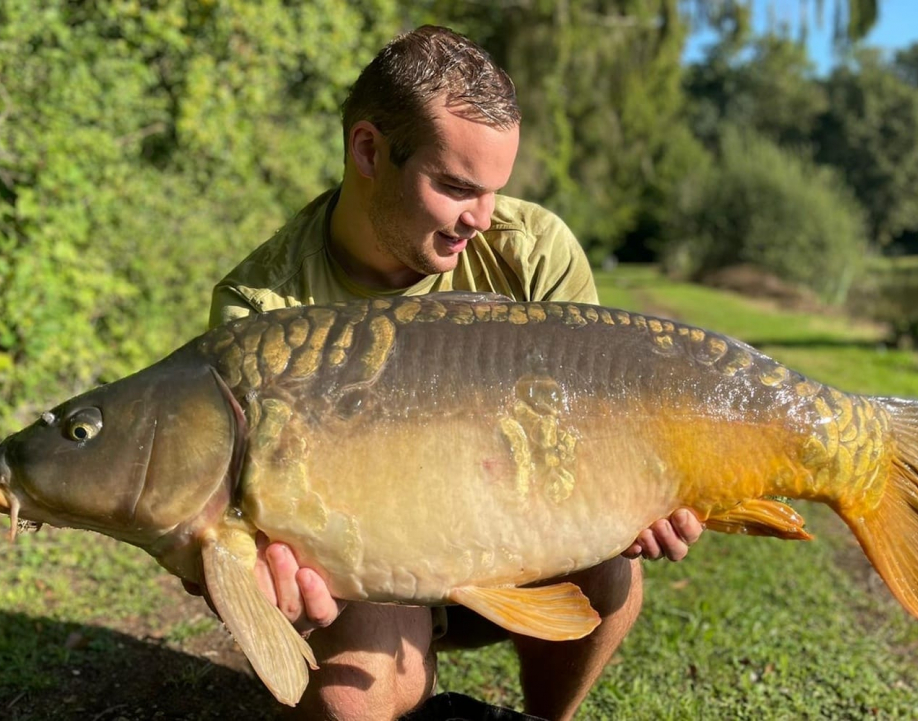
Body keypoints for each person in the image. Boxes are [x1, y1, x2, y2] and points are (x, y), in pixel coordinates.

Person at [204, 25, 704, 721]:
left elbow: (595, 422)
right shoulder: (263, 309)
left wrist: (645, 493)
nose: (482, 218)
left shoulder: (533, 253)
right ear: (368, 150)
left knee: (610, 571)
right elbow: (223, 519)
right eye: (456, 186)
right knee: (352, 699)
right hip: (367, 571)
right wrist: (252, 574)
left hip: (521, 545)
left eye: (495, 190)